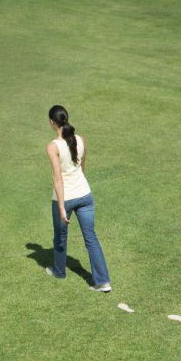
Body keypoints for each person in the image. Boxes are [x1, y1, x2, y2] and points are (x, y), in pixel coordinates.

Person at [43, 104, 112, 292]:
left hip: (65, 198)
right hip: (85, 194)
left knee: (60, 235)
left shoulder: (53, 146)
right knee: (91, 237)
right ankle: (103, 281)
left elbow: (58, 179)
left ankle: (59, 271)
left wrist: (62, 208)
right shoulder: (80, 140)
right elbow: (82, 168)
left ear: (52, 122)